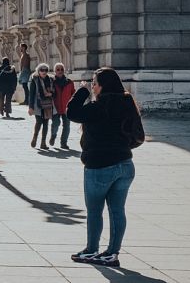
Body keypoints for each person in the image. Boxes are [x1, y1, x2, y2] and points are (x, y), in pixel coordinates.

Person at [68, 67, 143, 268]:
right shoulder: (128, 104)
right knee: (117, 210)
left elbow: (72, 112)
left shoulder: (98, 107)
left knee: (94, 211)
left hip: (99, 166)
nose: (92, 86)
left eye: (94, 83)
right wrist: (121, 148)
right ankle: (112, 253)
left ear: (102, 86)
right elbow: (139, 136)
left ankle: (91, 250)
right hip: (125, 165)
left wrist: (81, 91)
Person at [28, 63, 55, 149]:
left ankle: (43, 143)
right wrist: (30, 107)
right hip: (38, 104)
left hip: (47, 104)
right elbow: (31, 94)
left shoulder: (50, 80)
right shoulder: (35, 80)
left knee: (46, 123)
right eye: (42, 70)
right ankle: (35, 137)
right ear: (38, 71)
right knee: (39, 122)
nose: (44, 72)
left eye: (46, 70)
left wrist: (51, 93)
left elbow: (54, 91)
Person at [51, 63, 76, 149]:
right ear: (55, 71)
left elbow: (73, 94)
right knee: (55, 123)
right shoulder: (52, 82)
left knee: (66, 126)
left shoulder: (69, 82)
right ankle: (53, 135)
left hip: (66, 108)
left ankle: (63, 143)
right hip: (55, 107)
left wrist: (72, 106)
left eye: (61, 69)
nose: (60, 71)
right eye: (58, 69)